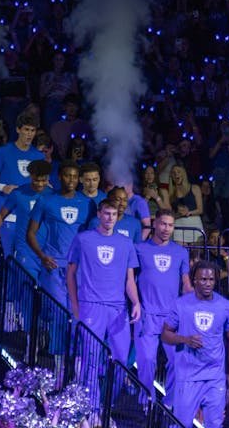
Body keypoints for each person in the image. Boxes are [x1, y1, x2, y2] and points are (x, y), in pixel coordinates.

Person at [161, 260, 229, 428]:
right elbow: (165, 335)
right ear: (194, 280)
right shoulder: (181, 304)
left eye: (211, 279)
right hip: (188, 375)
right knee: (182, 425)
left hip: (214, 376)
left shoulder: (225, 306)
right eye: (202, 279)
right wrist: (184, 340)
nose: (207, 283)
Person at [67, 196, 142, 366]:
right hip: (91, 304)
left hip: (118, 307)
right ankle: (91, 393)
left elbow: (129, 279)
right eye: (107, 213)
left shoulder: (126, 243)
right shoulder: (83, 239)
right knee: (90, 356)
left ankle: (111, 393)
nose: (110, 218)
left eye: (114, 214)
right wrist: (75, 304)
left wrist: (136, 302)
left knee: (121, 359)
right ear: (99, 214)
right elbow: (70, 273)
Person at [135, 208, 192, 394]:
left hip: (171, 317)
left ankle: (169, 405)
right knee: (146, 361)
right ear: (155, 223)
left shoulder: (181, 252)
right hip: (147, 314)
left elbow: (185, 283)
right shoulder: (140, 249)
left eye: (170, 225)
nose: (167, 228)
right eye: (163, 224)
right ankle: (146, 401)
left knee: (176, 362)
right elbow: (130, 279)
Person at [25, 160, 91, 307]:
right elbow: (30, 233)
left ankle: (73, 331)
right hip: (53, 264)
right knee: (56, 310)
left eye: (74, 176)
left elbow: (92, 236)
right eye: (68, 176)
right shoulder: (46, 200)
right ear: (60, 177)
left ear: (79, 178)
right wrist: (42, 256)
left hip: (78, 266)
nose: (71, 180)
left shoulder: (87, 203)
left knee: (77, 310)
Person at [0, 111, 40, 257]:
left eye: (32, 130)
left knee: (26, 263)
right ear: (18, 129)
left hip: (29, 218)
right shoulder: (3, 152)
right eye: (26, 129)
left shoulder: (39, 156)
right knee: (9, 260)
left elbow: (43, 185)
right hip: (6, 216)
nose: (29, 134)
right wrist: (3, 187)